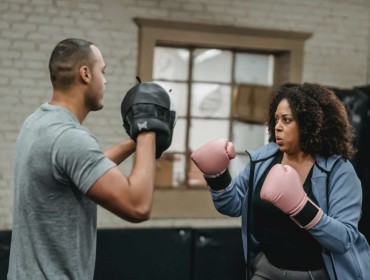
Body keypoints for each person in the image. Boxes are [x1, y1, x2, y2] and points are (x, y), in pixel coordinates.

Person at [7, 38, 175, 279]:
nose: (105, 80)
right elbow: (138, 206)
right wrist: (148, 130)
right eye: (102, 71)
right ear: (85, 74)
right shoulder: (70, 138)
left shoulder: (38, 122)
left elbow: (83, 168)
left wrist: (135, 142)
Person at [191, 83, 370, 280]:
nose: (277, 126)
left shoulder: (338, 171)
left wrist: (301, 208)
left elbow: (343, 239)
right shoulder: (263, 159)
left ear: (310, 123)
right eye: (276, 119)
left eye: (286, 120)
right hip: (266, 270)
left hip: (316, 274)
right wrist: (217, 176)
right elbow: (232, 205)